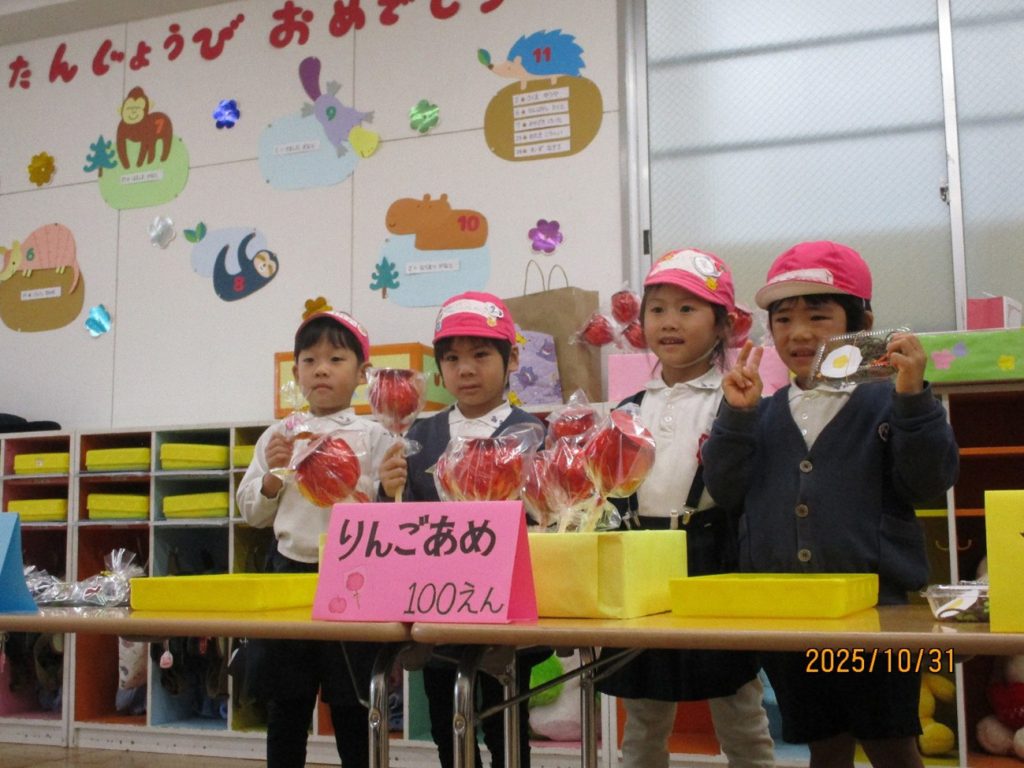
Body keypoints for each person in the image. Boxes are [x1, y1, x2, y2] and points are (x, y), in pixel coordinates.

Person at [703, 241, 959, 768]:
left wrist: (914, 399)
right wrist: (737, 417)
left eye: (818, 316)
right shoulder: (760, 410)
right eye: (783, 319)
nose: (798, 333)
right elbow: (726, 490)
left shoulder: (889, 400)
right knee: (824, 744)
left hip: (880, 615)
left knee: (892, 744)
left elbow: (928, 481)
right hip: (788, 614)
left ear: (863, 322)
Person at [594, 249, 775, 768]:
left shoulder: (735, 399)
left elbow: (742, 487)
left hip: (713, 561)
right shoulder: (628, 409)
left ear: (723, 324)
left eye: (687, 309)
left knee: (738, 705)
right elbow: (609, 493)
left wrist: (741, 415)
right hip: (641, 563)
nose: (669, 322)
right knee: (643, 715)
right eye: (657, 309)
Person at [379, 291, 546, 768]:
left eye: (481, 355)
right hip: (436, 610)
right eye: (452, 359)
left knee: (507, 723)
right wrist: (387, 489)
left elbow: (549, 517)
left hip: (506, 611)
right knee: (446, 724)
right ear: (439, 371)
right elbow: (398, 529)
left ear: (512, 359)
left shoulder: (532, 433)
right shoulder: (420, 437)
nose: (466, 369)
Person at [236, 306, 404, 768]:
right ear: (296, 373)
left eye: (336, 359)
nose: (321, 370)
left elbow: (392, 517)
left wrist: (390, 488)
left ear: (362, 373)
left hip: (354, 578)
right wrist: (273, 474)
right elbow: (251, 512)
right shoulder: (280, 436)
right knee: (286, 704)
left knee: (353, 705)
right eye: (309, 361)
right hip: (289, 574)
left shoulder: (375, 436)